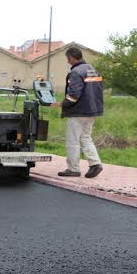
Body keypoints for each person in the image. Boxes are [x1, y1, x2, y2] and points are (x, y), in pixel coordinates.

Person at [52, 46, 104, 178]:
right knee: (86, 138)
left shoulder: (76, 72)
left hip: (78, 112)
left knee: (73, 141)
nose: (68, 62)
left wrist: (62, 104)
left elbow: (74, 94)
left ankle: (73, 169)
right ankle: (95, 163)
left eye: (67, 59)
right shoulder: (93, 70)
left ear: (71, 57)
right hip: (92, 111)